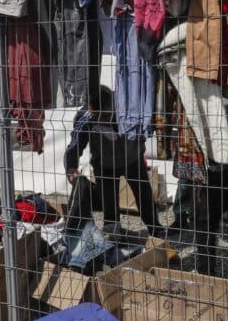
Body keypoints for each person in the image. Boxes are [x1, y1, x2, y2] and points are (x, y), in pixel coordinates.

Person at [63, 86, 162, 240]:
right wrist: (70, 167)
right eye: (99, 117)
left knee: (144, 195)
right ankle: (113, 235)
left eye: (106, 116)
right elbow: (75, 145)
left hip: (132, 158)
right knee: (108, 202)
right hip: (104, 163)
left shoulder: (128, 107)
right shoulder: (85, 117)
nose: (103, 120)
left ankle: (156, 230)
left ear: (113, 105)